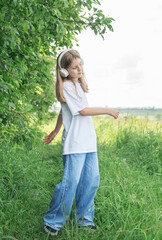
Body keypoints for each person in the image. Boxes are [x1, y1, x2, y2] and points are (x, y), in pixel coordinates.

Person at [43, 49, 119, 236]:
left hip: (88, 142)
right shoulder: (67, 86)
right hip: (75, 143)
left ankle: (84, 220)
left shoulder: (77, 86)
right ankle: (53, 221)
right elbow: (82, 111)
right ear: (64, 72)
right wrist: (107, 110)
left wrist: (55, 130)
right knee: (71, 182)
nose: (80, 69)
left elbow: (63, 112)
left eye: (80, 65)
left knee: (91, 180)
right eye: (75, 67)